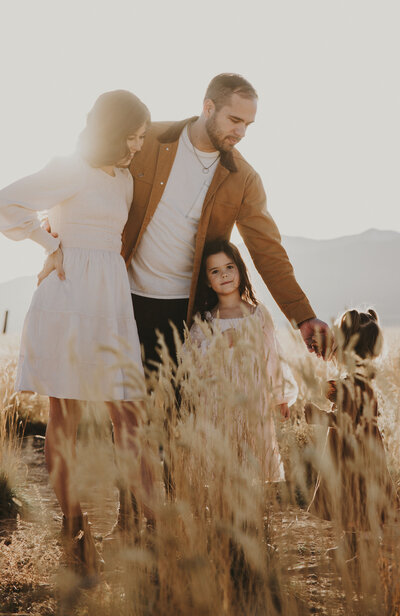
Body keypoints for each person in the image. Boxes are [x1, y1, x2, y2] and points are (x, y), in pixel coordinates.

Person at [0, 90, 155, 582]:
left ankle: (144, 529)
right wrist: (50, 245)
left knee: (128, 412)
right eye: (130, 137)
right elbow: (7, 202)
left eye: (142, 139)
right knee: (64, 416)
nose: (136, 147)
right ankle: (76, 538)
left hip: (111, 302)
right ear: (110, 132)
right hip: (67, 299)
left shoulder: (127, 180)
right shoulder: (70, 168)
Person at [121, 73, 330, 370]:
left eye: (248, 124)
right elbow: (99, 172)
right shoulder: (150, 139)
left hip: (187, 310)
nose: (242, 131)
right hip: (123, 295)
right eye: (234, 120)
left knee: (173, 412)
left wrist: (304, 316)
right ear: (208, 108)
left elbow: (267, 249)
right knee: (118, 404)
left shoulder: (244, 179)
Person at [185, 239, 298, 482]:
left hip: (252, 401)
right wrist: (219, 343)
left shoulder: (258, 315)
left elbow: (273, 357)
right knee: (221, 464)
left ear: (240, 269)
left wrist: (280, 398)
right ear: (207, 280)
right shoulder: (206, 320)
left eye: (229, 267)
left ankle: (252, 518)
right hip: (216, 402)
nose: (224, 275)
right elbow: (191, 360)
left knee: (252, 463)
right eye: (215, 271)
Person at [305, 309, 397, 558]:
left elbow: (346, 421)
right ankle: (353, 544)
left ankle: (363, 549)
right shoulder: (356, 380)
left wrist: (317, 415)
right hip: (358, 450)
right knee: (352, 498)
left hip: (355, 455)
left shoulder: (355, 384)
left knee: (358, 496)